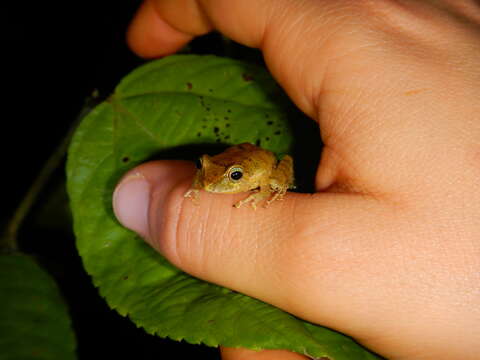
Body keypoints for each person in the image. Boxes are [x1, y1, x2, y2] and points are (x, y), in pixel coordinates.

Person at [112, 1, 480, 359]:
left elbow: (270, 167)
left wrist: (263, 190)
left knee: (272, 180)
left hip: (265, 167)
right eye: (205, 169)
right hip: (241, 158)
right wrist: (200, 184)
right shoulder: (213, 175)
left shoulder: (254, 173)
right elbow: (213, 173)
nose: (212, 184)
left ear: (241, 176)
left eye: (230, 178)